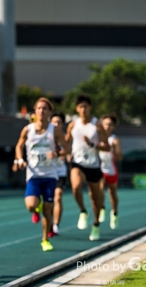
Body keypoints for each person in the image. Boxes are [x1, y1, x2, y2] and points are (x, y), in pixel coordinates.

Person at [13, 98, 69, 251]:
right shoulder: (28, 129)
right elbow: (18, 146)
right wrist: (19, 159)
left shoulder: (54, 130)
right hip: (33, 175)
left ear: (49, 112)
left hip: (50, 175)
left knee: (48, 209)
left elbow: (67, 149)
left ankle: (45, 239)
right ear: (35, 111)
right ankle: (36, 208)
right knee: (31, 205)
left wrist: (57, 153)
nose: (41, 111)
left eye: (45, 109)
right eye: (39, 108)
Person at [65, 94, 110, 241]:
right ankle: (83, 211)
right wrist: (66, 153)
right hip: (78, 162)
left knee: (96, 199)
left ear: (90, 107)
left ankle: (96, 224)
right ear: (77, 109)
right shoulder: (73, 125)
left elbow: (106, 146)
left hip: (93, 165)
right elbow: (65, 143)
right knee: (76, 186)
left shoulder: (97, 125)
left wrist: (93, 144)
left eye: (86, 106)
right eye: (80, 107)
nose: (83, 109)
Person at [98, 114, 122, 229]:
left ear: (113, 126)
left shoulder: (115, 139)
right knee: (100, 189)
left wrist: (113, 149)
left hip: (111, 170)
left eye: (109, 124)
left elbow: (120, 157)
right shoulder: (97, 137)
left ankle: (114, 213)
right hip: (99, 169)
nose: (107, 127)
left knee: (112, 194)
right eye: (105, 124)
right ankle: (102, 207)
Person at [49, 113, 68, 236]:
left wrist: (61, 154)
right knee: (47, 201)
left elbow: (68, 150)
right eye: (54, 121)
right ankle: (49, 222)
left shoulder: (65, 137)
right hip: (47, 171)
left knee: (58, 197)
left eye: (58, 122)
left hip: (60, 172)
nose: (56, 124)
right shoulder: (45, 135)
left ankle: (55, 225)